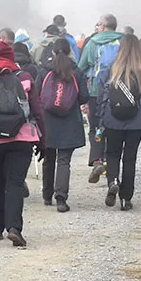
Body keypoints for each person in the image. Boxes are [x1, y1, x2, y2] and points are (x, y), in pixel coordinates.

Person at [0, 41, 45, 247]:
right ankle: (14, 228)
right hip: (21, 138)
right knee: (15, 183)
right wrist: (42, 141)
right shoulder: (25, 78)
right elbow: (37, 111)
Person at [97, 34, 141, 211]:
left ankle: (113, 181)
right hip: (136, 121)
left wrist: (100, 117)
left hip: (113, 120)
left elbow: (102, 93)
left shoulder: (112, 68)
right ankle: (126, 198)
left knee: (112, 154)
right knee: (130, 158)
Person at [38, 37, 89, 212]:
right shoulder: (76, 71)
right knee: (64, 160)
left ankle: (47, 195)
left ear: (53, 52)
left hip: (48, 120)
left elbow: (37, 93)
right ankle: (61, 198)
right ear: (69, 51)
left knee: (48, 158)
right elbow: (84, 97)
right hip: (69, 121)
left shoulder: (44, 70)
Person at [78, 13, 123, 179]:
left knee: (96, 126)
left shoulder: (93, 42)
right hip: (119, 91)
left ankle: (97, 160)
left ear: (102, 27)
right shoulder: (122, 42)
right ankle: (111, 163)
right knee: (114, 128)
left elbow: (81, 67)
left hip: (96, 91)